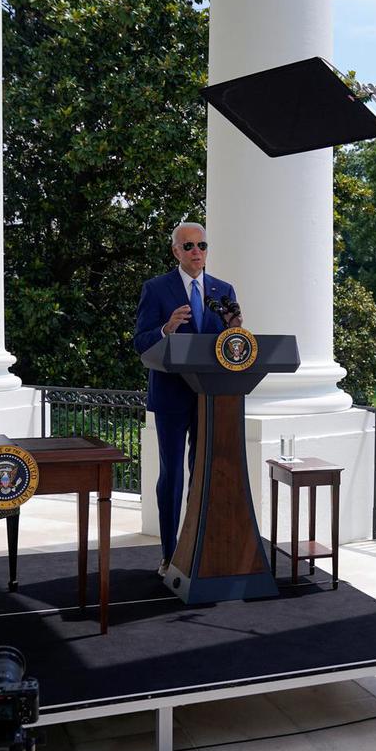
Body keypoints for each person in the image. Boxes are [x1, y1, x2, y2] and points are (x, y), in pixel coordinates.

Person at [133, 222, 242, 574]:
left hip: (210, 397)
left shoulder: (222, 290)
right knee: (173, 475)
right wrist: (165, 329)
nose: (197, 251)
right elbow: (140, 341)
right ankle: (169, 553)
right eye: (189, 246)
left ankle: (198, 548)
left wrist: (235, 328)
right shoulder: (156, 289)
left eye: (202, 245)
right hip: (171, 397)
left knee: (203, 473)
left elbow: (232, 347)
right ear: (176, 252)